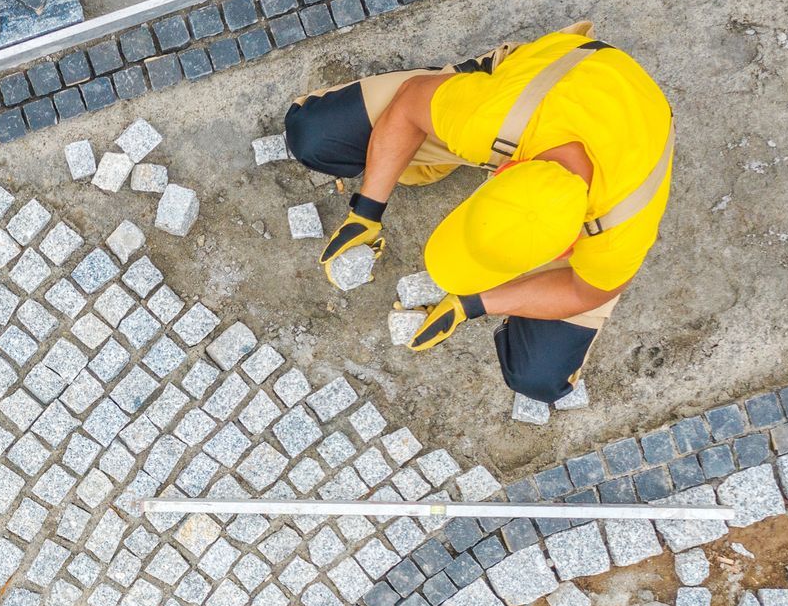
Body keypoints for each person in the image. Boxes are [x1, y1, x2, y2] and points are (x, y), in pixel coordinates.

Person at [282, 23, 674, 404]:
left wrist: (472, 305)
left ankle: (428, 153)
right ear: (500, 169)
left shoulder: (619, 232)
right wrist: (365, 211)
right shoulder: (493, 120)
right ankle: (443, 126)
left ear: (567, 247)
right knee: (314, 135)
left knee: (539, 377)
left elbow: (586, 290)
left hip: (636, 126)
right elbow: (410, 102)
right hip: (557, 78)